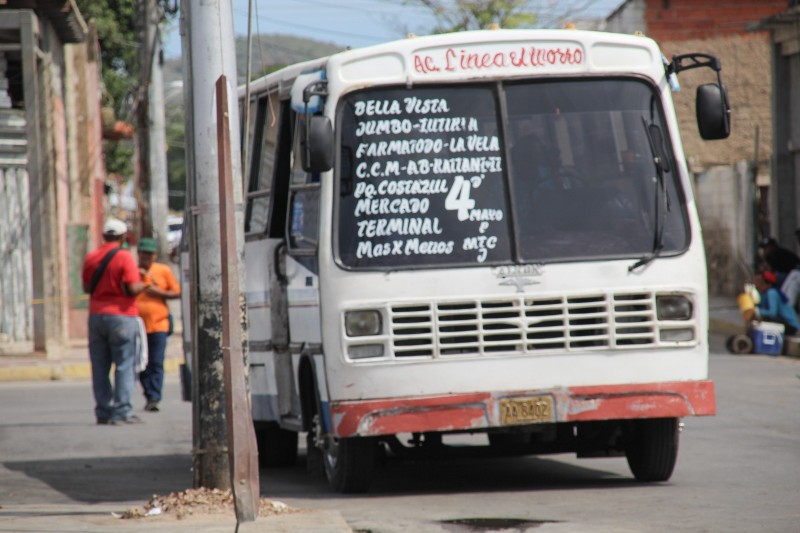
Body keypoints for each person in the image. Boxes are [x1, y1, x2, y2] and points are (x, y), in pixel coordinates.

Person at [81, 218, 145, 425]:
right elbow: (133, 287)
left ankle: (103, 411)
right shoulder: (124, 257)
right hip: (122, 316)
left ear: (104, 236)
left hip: (96, 316)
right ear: (123, 237)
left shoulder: (91, 257)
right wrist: (143, 283)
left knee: (99, 366)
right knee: (124, 365)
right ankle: (122, 411)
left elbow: (86, 287)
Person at [136, 237, 181, 412]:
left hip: (159, 325)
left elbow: (177, 292)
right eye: (143, 254)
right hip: (138, 326)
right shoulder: (133, 271)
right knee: (142, 364)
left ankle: (154, 396)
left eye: (149, 254)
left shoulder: (163, 271)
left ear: (154, 255)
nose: (146, 257)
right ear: (138, 254)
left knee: (156, 362)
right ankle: (148, 393)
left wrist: (158, 292)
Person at [753, 271, 800, 335]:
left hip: (791, 326)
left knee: (766, 319)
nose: (759, 285)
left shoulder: (772, 293)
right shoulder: (764, 294)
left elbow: (772, 313)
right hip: (783, 322)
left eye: (761, 283)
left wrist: (758, 311)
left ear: (768, 284)